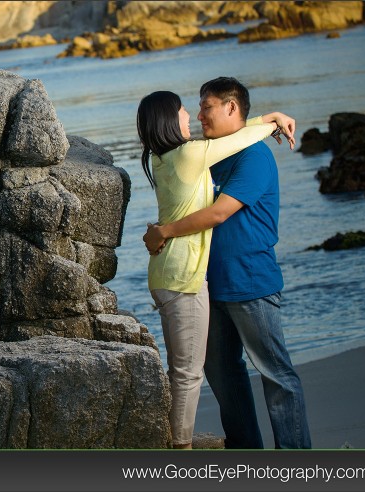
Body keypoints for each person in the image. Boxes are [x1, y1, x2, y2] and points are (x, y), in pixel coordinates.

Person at [143, 77, 311, 449]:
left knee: (276, 374)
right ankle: (246, 452)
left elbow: (220, 212)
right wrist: (269, 118)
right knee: (222, 374)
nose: (200, 114)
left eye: (207, 107)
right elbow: (235, 136)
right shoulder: (207, 152)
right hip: (205, 283)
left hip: (250, 281)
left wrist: (166, 231)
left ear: (231, 108)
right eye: (198, 108)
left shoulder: (255, 156)